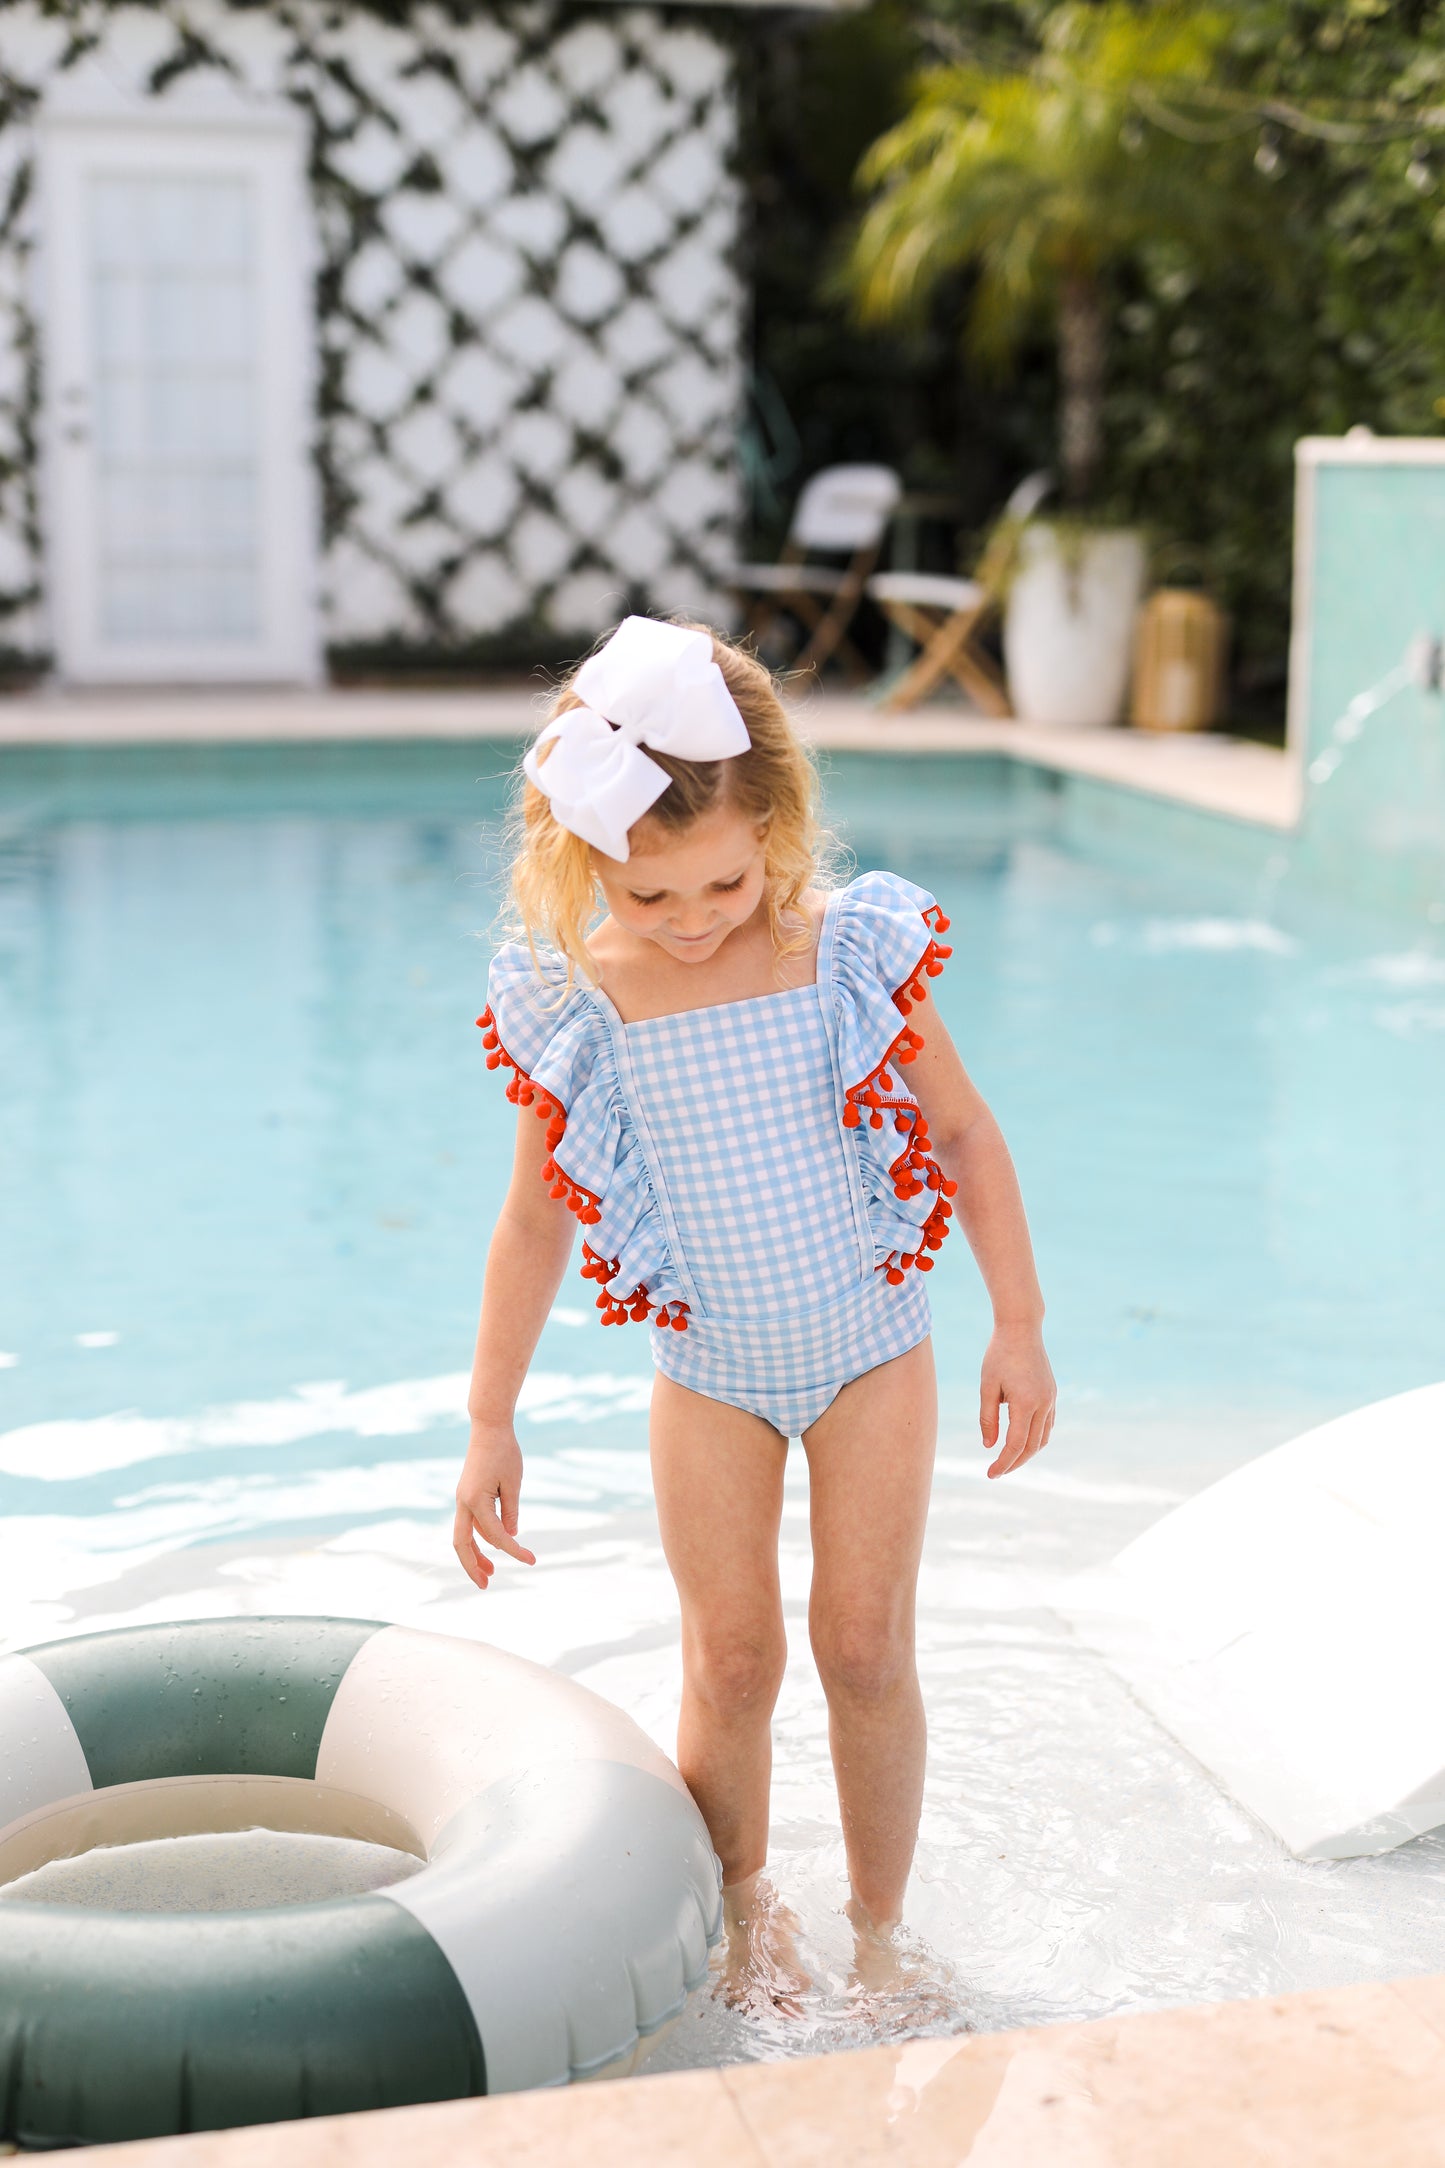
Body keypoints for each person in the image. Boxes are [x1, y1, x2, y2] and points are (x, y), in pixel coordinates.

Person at [454, 616, 1056, 2007]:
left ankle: (881, 1934)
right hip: (708, 1371)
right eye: (645, 895)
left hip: (867, 1354)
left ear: (773, 823)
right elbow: (533, 1222)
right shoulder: (585, 1002)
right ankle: (738, 1916)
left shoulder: (840, 954)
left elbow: (962, 1138)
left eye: (718, 883)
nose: (689, 920)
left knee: (861, 1646)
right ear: (583, 858)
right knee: (729, 1659)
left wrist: (1013, 1324)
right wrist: (491, 1417)